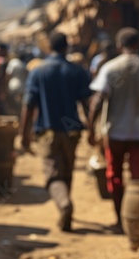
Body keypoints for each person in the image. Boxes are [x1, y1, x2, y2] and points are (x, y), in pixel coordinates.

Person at [87, 27, 139, 230]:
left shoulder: (110, 68)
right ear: (138, 45)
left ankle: (121, 218)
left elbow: (96, 101)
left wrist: (90, 129)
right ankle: (137, 219)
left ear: (119, 45)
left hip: (115, 132)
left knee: (115, 175)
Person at [19, 32, 91, 232]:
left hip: (48, 131)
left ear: (49, 47)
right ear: (66, 47)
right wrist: (93, 129)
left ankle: (64, 205)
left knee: (53, 174)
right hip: (72, 131)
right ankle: (65, 213)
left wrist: (23, 135)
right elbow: (87, 103)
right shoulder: (78, 71)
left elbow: (28, 104)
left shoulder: (38, 71)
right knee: (67, 171)